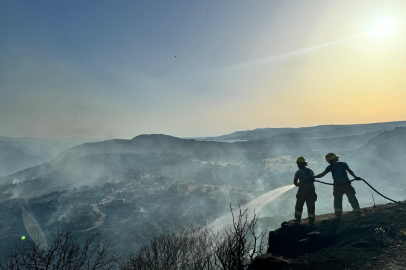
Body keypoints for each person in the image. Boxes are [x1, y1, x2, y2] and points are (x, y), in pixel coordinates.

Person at [314, 153, 362, 219]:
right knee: (350, 197)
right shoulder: (342, 164)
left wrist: (313, 177)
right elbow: (350, 171)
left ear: (330, 160)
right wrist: (355, 177)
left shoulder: (330, 167)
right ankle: (357, 212)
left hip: (339, 185)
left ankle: (339, 215)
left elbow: (322, 175)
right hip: (345, 184)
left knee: (339, 199)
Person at [293, 156, 317, 225]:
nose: (297, 165)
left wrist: (298, 184)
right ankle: (312, 221)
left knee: (299, 204)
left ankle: (297, 220)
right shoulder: (311, 171)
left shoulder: (298, 172)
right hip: (311, 190)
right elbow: (313, 180)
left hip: (302, 190)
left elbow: (295, 182)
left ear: (299, 164)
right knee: (311, 205)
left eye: (298, 164)